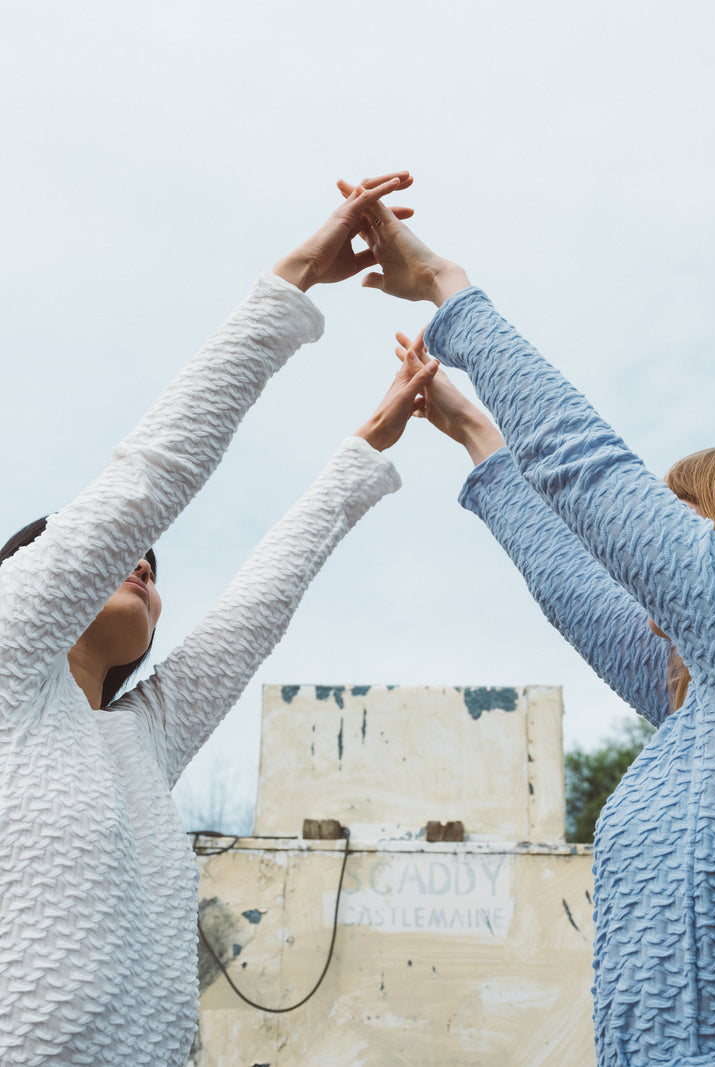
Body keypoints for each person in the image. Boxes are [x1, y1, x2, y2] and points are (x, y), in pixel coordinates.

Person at [0, 173, 439, 1067]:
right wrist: (291, 283)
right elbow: (146, 478)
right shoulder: (8, 658)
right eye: (124, 553)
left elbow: (255, 607)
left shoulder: (140, 742)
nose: (145, 565)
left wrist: (362, 455)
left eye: (155, 574)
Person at [354, 190, 715, 1067]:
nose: (659, 542)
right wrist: (479, 436)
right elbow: (576, 583)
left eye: (685, 518)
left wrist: (451, 291)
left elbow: (592, 475)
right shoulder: (702, 706)